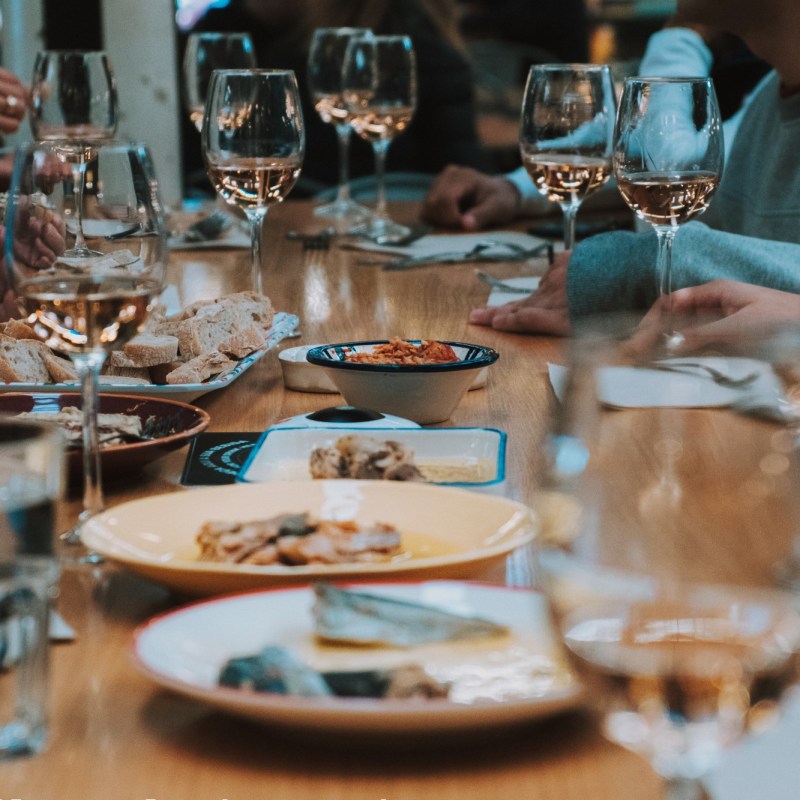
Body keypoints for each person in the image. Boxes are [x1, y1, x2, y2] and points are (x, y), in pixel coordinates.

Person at [433, 0, 800, 336]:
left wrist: (640, 266)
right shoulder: (768, 95)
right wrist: (516, 190)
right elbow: (677, 170)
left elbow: (669, 169)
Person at [180, 0, 492, 198]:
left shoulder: (303, 56)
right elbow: (466, 171)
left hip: (315, 218)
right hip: (396, 217)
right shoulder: (430, 35)